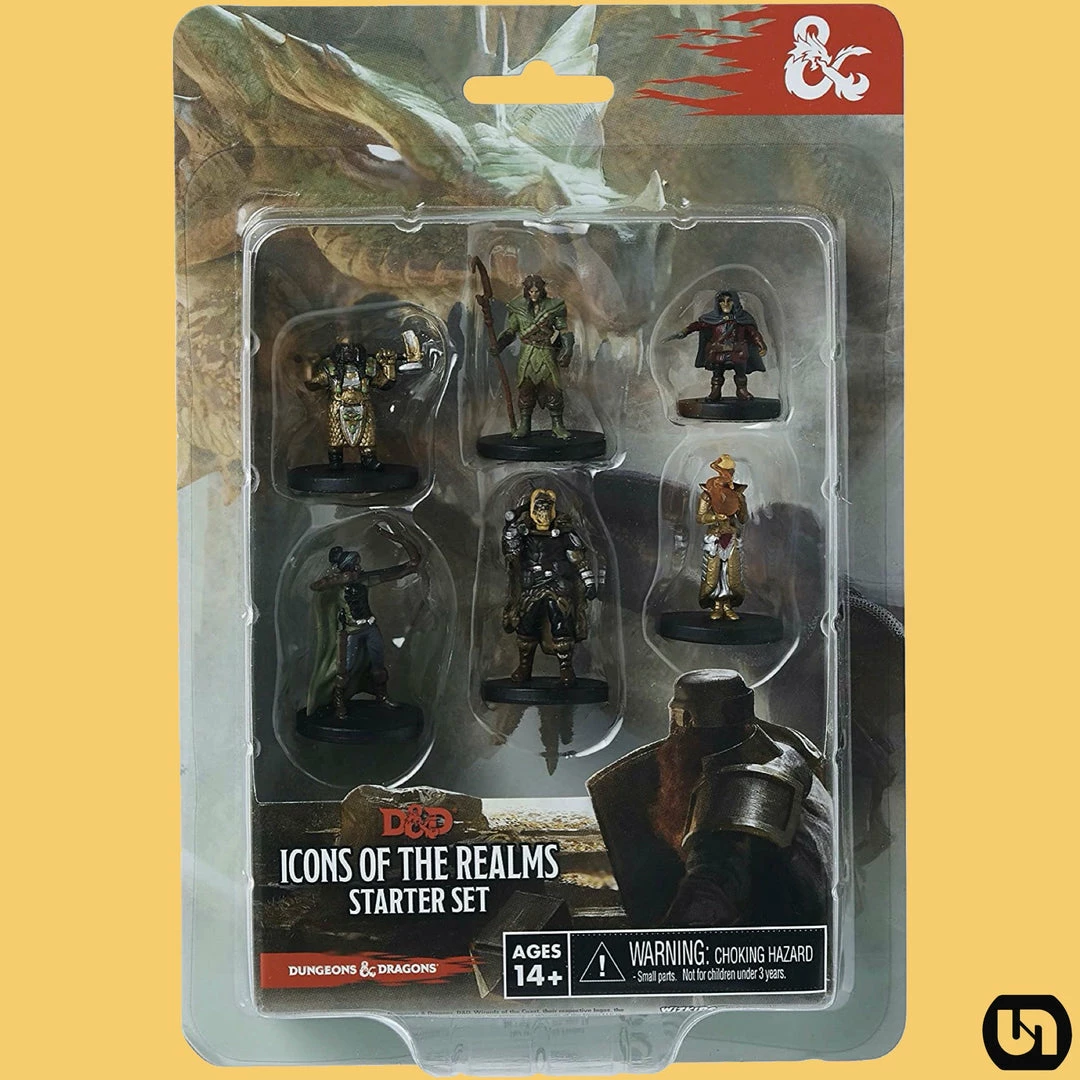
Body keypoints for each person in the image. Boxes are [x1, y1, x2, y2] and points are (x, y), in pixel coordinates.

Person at [587, 669, 832, 928]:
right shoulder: (783, 752)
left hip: (781, 940)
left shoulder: (743, 788)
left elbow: (705, 903)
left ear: (685, 722)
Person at [306, 538, 420, 721]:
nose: (358, 568)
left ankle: (382, 696)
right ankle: (338, 702)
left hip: (369, 627)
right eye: (354, 565)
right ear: (347, 568)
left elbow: (397, 571)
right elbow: (316, 586)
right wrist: (340, 579)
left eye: (358, 565)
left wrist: (391, 536)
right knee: (345, 670)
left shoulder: (364, 580)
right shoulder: (338, 585)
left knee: (378, 666)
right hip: (351, 632)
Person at [501, 488, 596, 685]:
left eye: (546, 508)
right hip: (531, 587)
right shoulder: (523, 535)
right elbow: (511, 549)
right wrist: (511, 524)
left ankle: (566, 667)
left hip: (558, 587)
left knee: (562, 624)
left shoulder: (565, 534)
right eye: (539, 508)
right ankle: (524, 667)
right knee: (526, 625)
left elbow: (578, 560)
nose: (543, 514)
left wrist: (589, 582)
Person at [492, 276, 575, 439]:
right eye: (531, 291)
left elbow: (564, 330)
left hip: (545, 351)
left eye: (537, 291)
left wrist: (567, 349)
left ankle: (558, 425)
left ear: (542, 290)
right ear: (526, 291)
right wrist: (499, 345)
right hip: (527, 354)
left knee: (554, 389)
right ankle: (524, 425)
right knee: (525, 389)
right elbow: (511, 331)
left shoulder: (553, 307)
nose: (534, 294)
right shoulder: (518, 307)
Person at [672, 289, 768, 402]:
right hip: (718, 351)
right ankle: (715, 392)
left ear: (735, 302)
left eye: (729, 301)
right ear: (718, 303)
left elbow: (753, 333)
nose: (726, 304)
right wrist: (684, 331)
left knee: (740, 374)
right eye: (722, 301)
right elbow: (698, 325)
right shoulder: (712, 319)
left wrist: (761, 344)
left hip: (738, 351)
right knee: (717, 374)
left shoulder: (743, 319)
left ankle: (742, 391)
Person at [696, 453, 749, 621]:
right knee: (715, 572)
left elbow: (743, 519)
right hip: (715, 539)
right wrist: (715, 517)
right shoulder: (708, 494)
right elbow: (700, 517)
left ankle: (728, 604)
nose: (727, 475)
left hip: (731, 538)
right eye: (725, 471)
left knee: (730, 572)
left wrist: (741, 503)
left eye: (730, 472)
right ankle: (717, 604)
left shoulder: (736, 494)